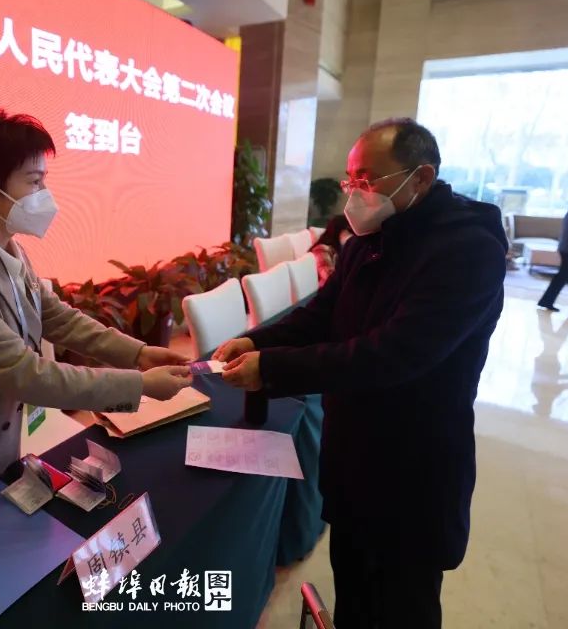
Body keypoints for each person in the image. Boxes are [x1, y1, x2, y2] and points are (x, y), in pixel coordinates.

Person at [215, 118, 507, 628]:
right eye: (351, 180)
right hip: (353, 460)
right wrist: (258, 341)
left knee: (401, 606)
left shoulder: (466, 251)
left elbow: (392, 355)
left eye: (367, 180)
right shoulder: (371, 239)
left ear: (421, 177)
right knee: (353, 592)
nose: (354, 193)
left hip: (412, 471)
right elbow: (322, 314)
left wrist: (272, 368)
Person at [0, 103, 192, 540]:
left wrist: (137, 353)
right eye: (34, 182)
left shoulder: (7, 247)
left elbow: (55, 316)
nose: (45, 195)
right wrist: (139, 385)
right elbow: (25, 373)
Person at [309, 214, 353, 284]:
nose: (352, 236)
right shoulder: (321, 250)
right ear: (338, 231)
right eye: (350, 231)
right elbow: (330, 279)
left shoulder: (342, 250)